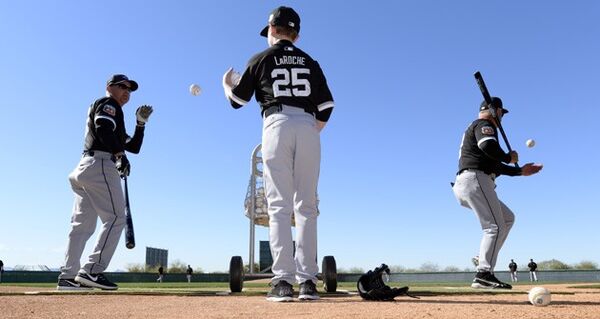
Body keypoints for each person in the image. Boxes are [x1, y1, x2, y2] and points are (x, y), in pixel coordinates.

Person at [222, 6, 334, 302]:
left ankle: (283, 280)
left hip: (276, 122)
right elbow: (327, 107)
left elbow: (237, 101)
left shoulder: (261, 58)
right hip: (309, 126)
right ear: (295, 34)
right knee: (307, 206)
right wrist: (308, 131)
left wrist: (226, 85)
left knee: (279, 206)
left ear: (272, 30)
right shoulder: (310, 61)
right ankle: (308, 282)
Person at [57, 74, 153, 291]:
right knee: (116, 218)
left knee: (81, 226)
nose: (127, 91)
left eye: (130, 89)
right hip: (100, 163)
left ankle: (68, 277)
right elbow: (103, 129)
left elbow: (134, 146)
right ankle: (92, 270)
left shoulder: (114, 116)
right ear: (109, 87)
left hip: (85, 167)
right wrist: (119, 155)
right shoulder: (108, 103)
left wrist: (140, 124)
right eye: (122, 86)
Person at [452, 97, 543, 290]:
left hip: (472, 181)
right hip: (475, 179)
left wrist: (520, 171)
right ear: (494, 111)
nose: (503, 116)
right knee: (495, 226)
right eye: (502, 112)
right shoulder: (484, 124)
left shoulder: (480, 127)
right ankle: (484, 273)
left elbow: (494, 164)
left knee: (507, 219)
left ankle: (482, 259)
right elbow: (488, 147)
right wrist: (508, 157)